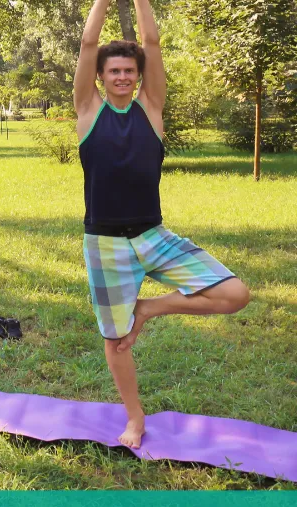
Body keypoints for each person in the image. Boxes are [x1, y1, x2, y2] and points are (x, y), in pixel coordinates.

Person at [75, 0, 250, 449]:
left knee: (235, 294)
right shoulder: (87, 111)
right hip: (105, 244)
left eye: (129, 71)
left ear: (138, 75)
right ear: (101, 77)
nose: (122, 77)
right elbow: (88, 42)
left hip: (154, 236)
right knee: (116, 341)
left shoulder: (151, 109)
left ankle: (147, 308)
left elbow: (151, 42)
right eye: (114, 71)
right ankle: (135, 417)